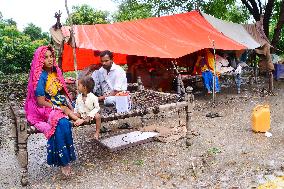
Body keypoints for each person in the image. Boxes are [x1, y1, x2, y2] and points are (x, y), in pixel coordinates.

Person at [24, 45, 76, 176]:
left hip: (57, 104)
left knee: (64, 123)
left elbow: (61, 91)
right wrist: (57, 106)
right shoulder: (39, 77)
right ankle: (64, 161)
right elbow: (41, 101)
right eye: (45, 57)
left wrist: (67, 103)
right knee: (61, 123)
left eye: (51, 56)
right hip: (43, 108)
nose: (49, 59)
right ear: (40, 60)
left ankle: (65, 159)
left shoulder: (54, 72)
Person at [73, 76, 101, 140]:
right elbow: (76, 106)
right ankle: (79, 120)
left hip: (90, 114)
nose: (77, 87)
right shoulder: (79, 97)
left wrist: (90, 115)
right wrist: (75, 112)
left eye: (79, 85)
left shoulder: (93, 97)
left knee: (98, 116)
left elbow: (97, 108)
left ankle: (97, 132)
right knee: (72, 114)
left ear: (84, 87)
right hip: (81, 113)